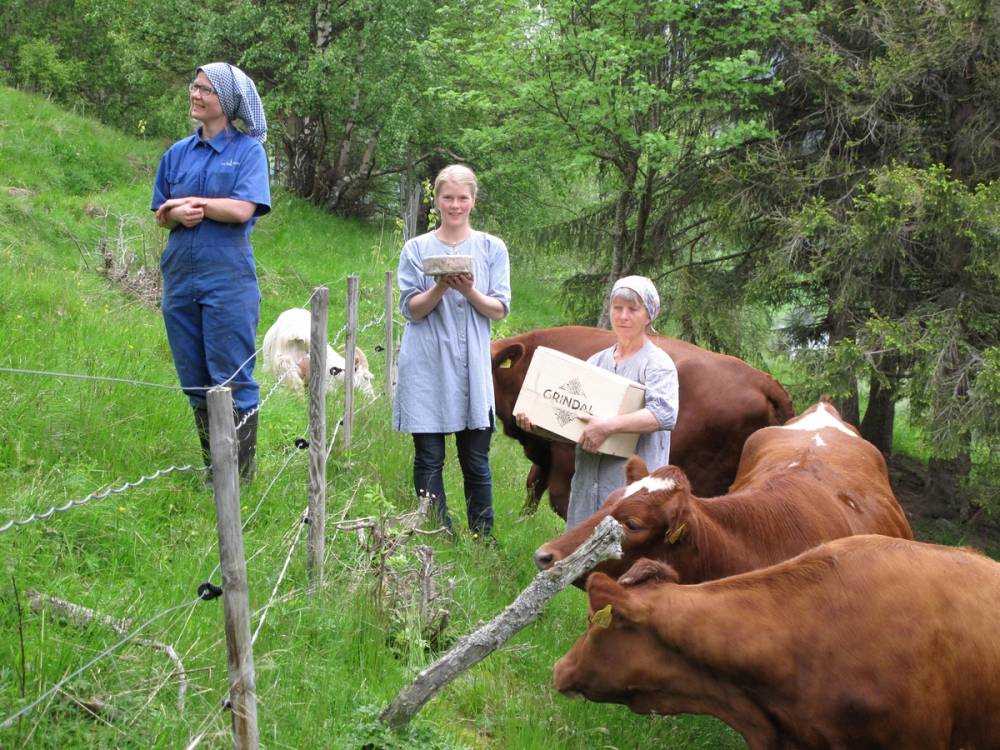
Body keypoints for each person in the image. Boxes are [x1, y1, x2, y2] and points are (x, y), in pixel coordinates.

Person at [151, 63, 271, 482]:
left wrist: (191, 205)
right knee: (195, 378)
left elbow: (242, 209)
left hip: (227, 278)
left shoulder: (248, 152)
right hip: (181, 277)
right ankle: (214, 473)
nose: (195, 94)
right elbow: (161, 213)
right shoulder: (176, 153)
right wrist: (174, 214)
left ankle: (239, 478)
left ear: (227, 102)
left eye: (205, 90)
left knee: (231, 377)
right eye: (194, 86)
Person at [393, 165, 511, 539]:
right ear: (437, 200)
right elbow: (411, 310)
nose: (455, 205)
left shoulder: (492, 248)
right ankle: (437, 532)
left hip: (473, 367)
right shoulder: (416, 248)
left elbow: (500, 309)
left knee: (476, 459)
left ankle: (483, 535)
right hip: (427, 363)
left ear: (473, 201)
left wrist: (468, 291)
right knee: (429, 457)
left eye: (463, 198)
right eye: (448, 197)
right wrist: (441, 287)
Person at [516, 276, 679, 527]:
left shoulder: (657, 364)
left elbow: (664, 414)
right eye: (617, 307)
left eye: (633, 309)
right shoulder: (596, 362)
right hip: (587, 486)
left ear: (649, 315)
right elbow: (578, 424)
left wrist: (608, 426)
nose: (623, 316)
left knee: (622, 559)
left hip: (632, 492)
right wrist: (538, 423)